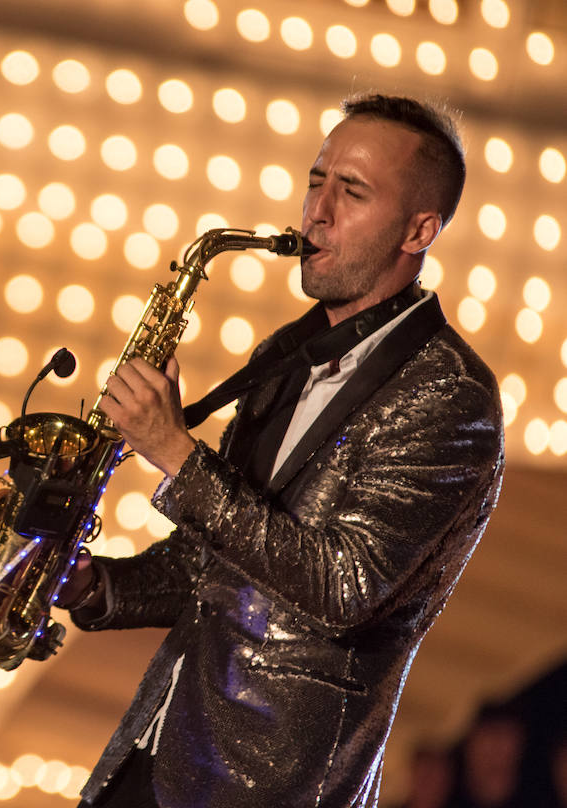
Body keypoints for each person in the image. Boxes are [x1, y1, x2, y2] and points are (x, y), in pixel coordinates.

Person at [56, 94, 505, 808]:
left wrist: (177, 454)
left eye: (351, 192)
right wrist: (96, 587)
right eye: (315, 181)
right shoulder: (284, 356)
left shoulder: (452, 398)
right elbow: (218, 563)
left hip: (271, 787)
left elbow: (343, 588)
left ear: (420, 229)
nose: (316, 212)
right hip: (159, 746)